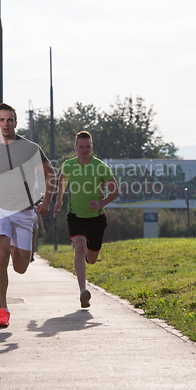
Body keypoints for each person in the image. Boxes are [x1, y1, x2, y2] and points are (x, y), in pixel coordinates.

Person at [0, 103, 56, 327]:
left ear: (16, 122)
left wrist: (46, 201)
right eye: (1, 120)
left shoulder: (30, 148)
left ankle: (26, 240)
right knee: (1, 253)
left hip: (24, 212)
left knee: (20, 267)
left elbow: (50, 173)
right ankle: (3, 310)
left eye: (9, 120)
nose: (5, 124)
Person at [54, 131, 119, 308]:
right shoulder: (69, 165)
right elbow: (61, 179)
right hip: (75, 217)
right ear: (75, 148)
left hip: (96, 219)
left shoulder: (100, 167)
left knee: (92, 258)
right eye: (81, 146)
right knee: (80, 247)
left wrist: (101, 203)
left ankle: (88, 261)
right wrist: (59, 200)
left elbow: (115, 191)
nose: (84, 150)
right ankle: (83, 291)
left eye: (87, 146)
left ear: (92, 147)